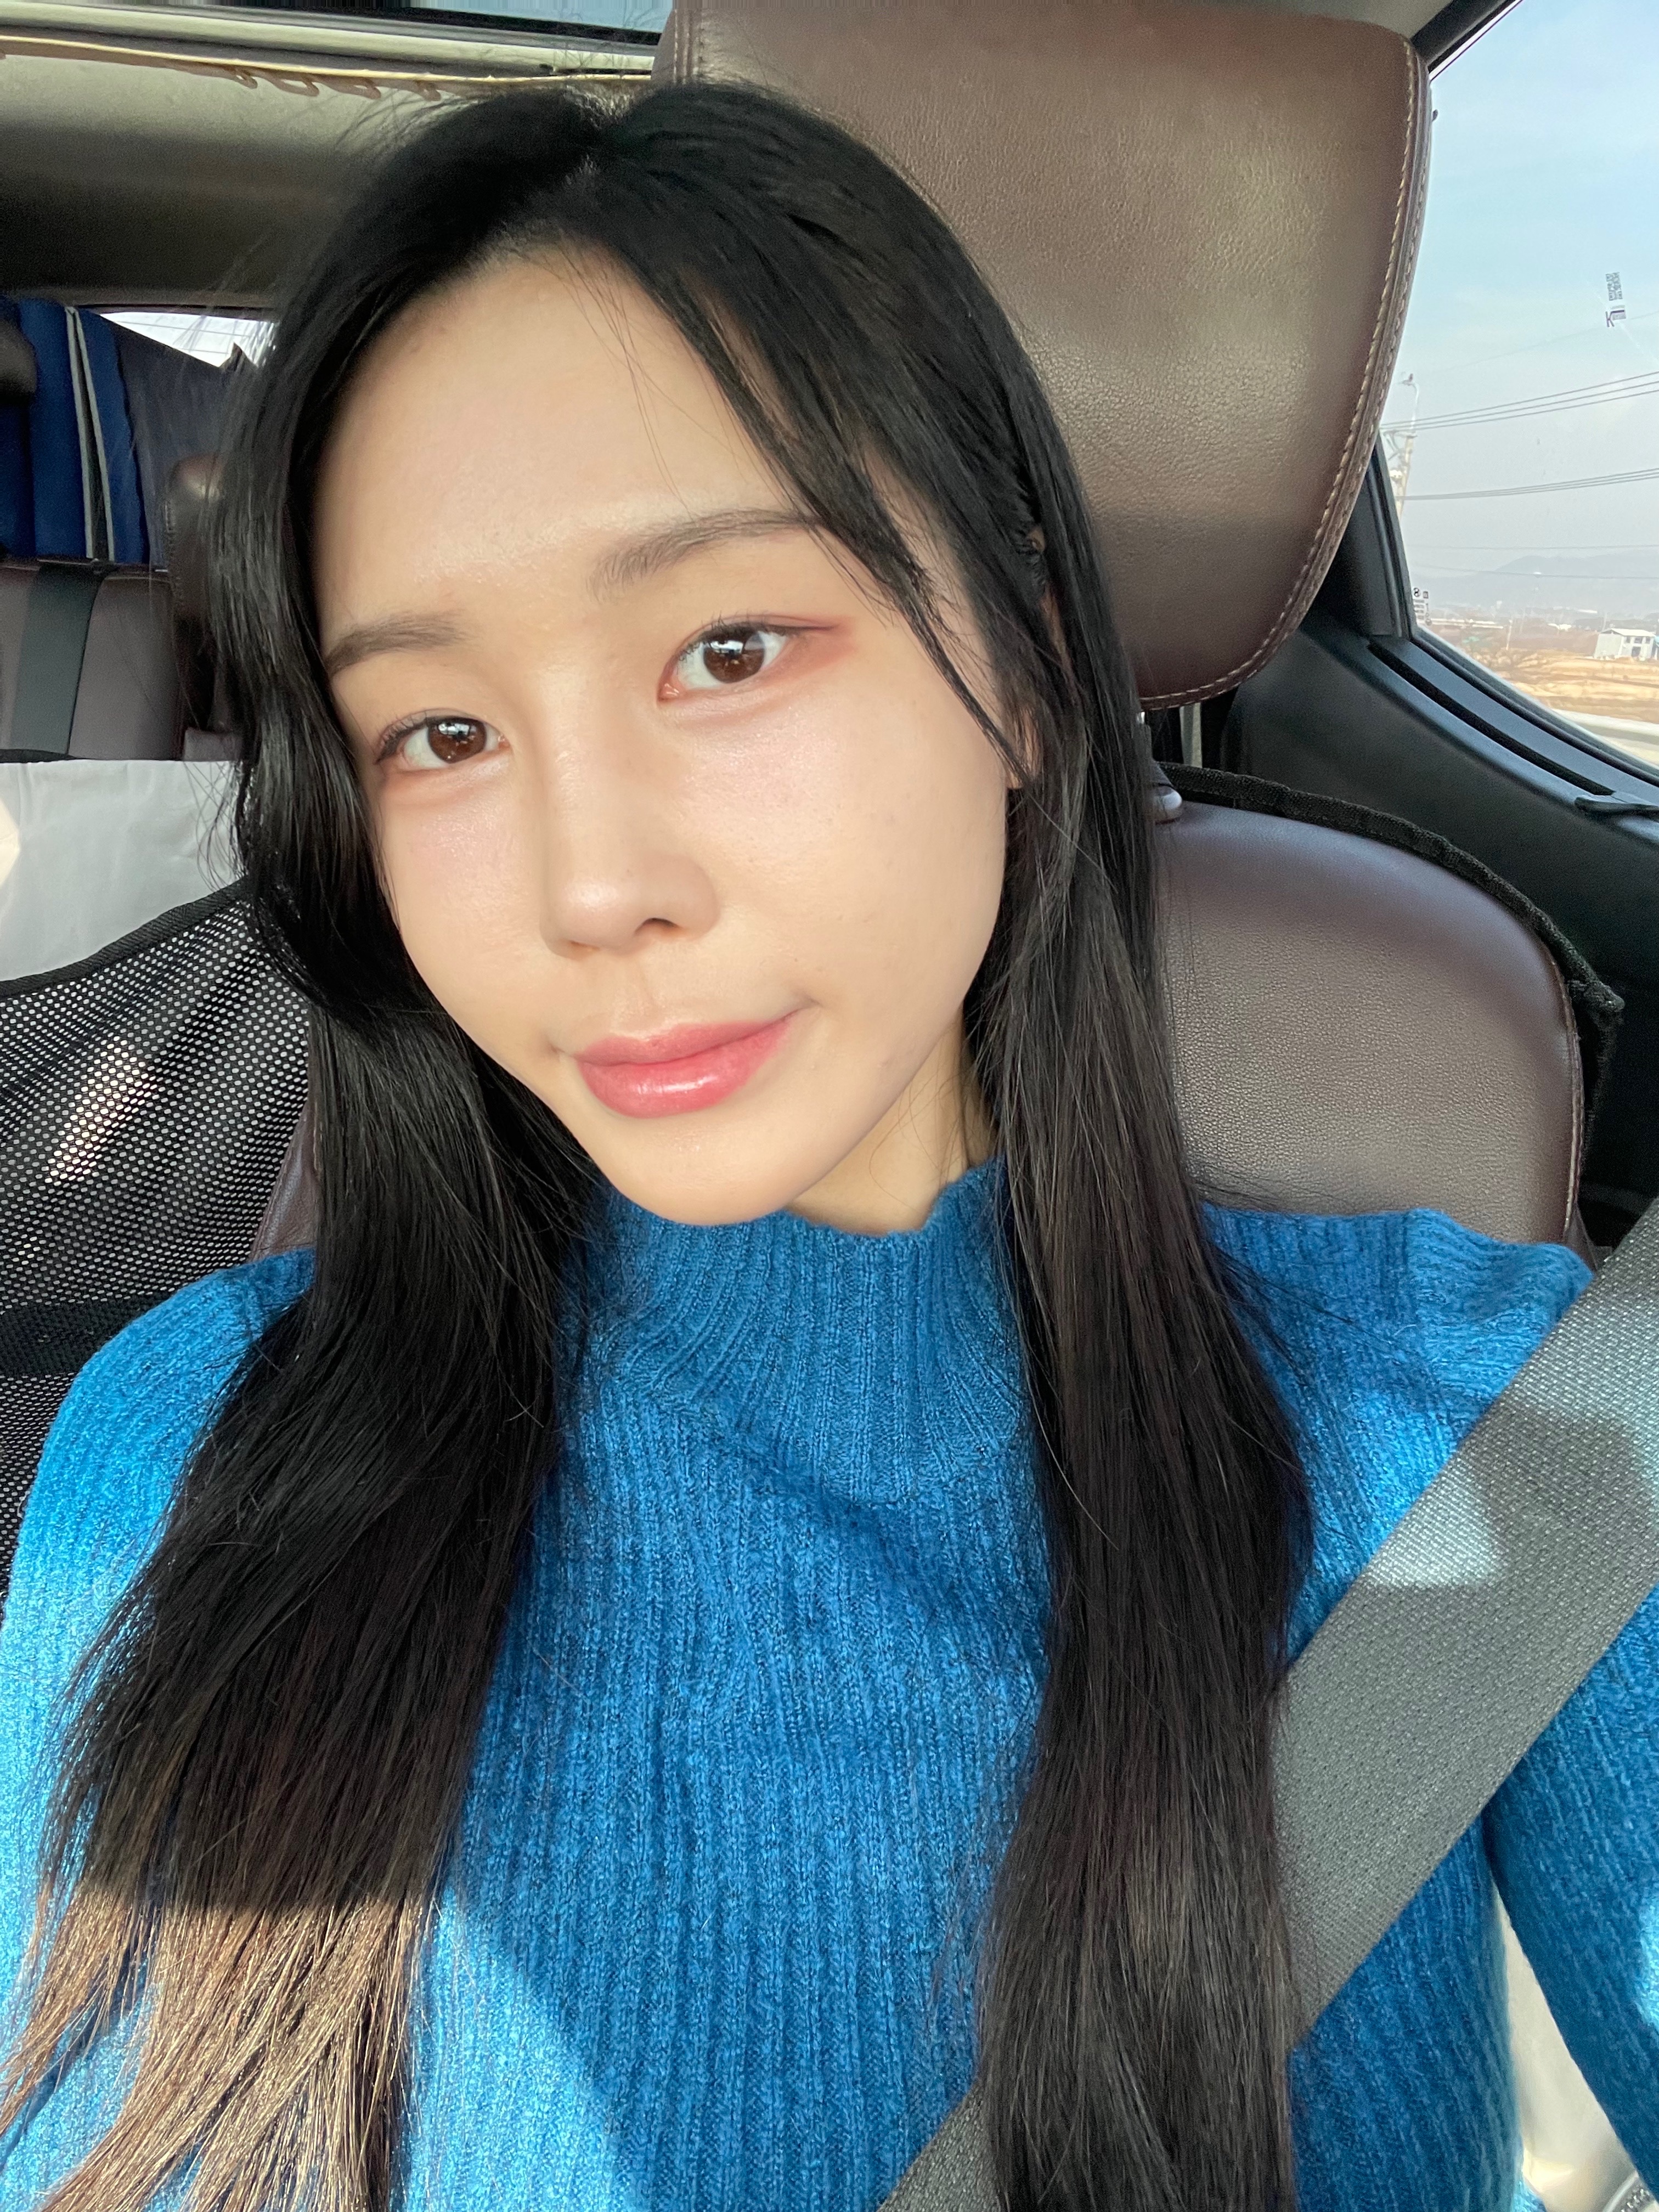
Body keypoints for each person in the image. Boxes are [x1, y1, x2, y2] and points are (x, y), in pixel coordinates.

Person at [0, 81, 1652, 2212]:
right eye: (443, 732)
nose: (592, 887)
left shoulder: (1506, 1447)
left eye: (728, 649)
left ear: (1026, 665)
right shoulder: (187, 1450)